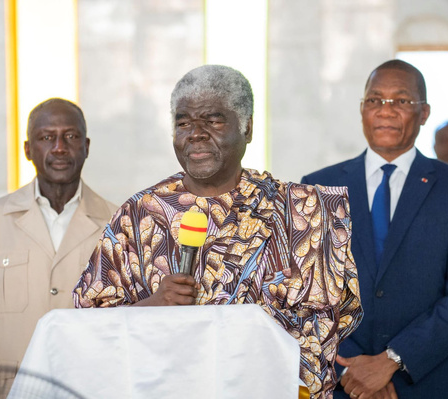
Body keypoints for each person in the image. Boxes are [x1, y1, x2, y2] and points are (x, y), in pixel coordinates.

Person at [73, 65, 363, 399]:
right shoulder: (139, 214)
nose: (195, 133)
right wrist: (150, 305)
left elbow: (331, 320)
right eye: (183, 122)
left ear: (247, 127)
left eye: (212, 120)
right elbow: (88, 324)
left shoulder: (300, 211)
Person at [301, 60, 448, 398]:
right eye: (375, 100)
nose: (385, 111)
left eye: (401, 101)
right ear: (362, 110)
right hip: (342, 382)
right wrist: (352, 370)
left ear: (424, 113)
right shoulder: (318, 187)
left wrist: (391, 361)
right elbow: (306, 295)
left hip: (430, 380)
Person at [0, 98, 117, 398]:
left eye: (71, 137)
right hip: (8, 391)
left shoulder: (117, 225)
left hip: (87, 389)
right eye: (46, 137)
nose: (59, 147)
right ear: (27, 150)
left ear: (86, 146)